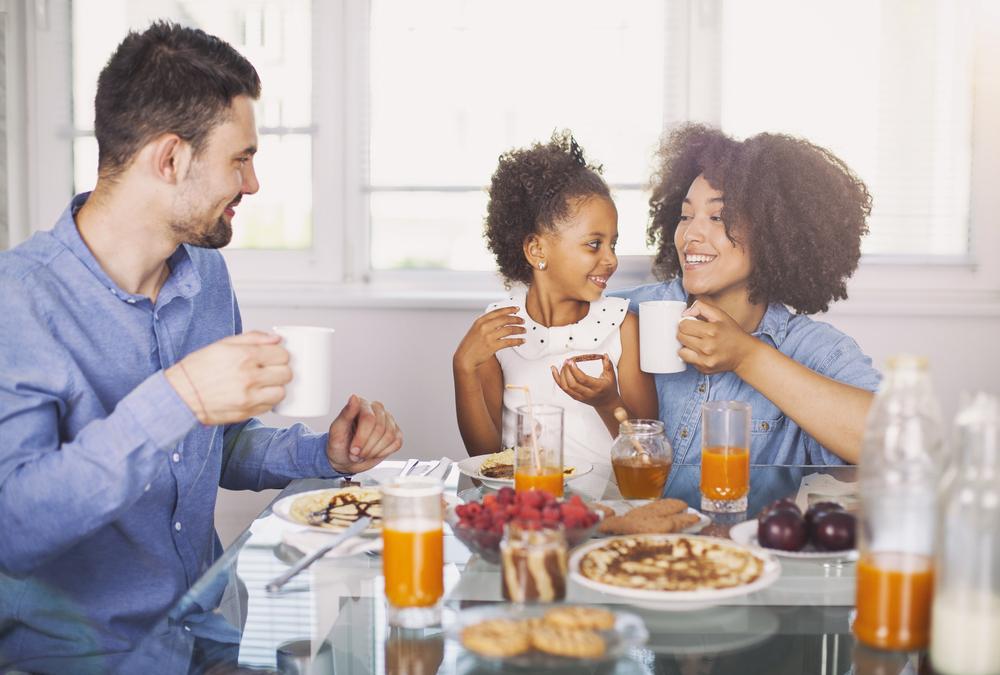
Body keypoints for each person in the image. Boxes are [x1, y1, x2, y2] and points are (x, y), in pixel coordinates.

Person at [0, 22, 402, 672]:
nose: (253, 184)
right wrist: (178, 395)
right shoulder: (18, 300)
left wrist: (319, 451)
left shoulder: (202, 275)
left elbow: (215, 445)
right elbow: (13, 528)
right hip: (80, 654)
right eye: (240, 158)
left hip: (197, 625)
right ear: (170, 159)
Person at [611, 124, 879, 474]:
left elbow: (897, 445)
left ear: (774, 231)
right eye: (685, 216)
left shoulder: (813, 350)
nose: (691, 234)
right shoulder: (622, 315)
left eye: (718, 217)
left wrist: (747, 358)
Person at [453, 132, 658, 496]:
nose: (610, 259)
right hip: (525, 514)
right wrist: (463, 367)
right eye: (594, 244)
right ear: (536, 249)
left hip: (606, 518)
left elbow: (647, 457)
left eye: (613, 244)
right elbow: (485, 463)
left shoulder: (624, 328)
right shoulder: (497, 331)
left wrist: (609, 403)